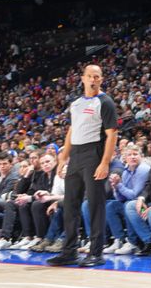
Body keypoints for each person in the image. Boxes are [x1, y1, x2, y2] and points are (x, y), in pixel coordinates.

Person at [47, 65, 118, 268]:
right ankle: (69, 251)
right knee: (70, 204)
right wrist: (63, 158)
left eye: (97, 77)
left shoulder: (105, 102)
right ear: (83, 78)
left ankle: (96, 253)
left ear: (101, 79)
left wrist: (105, 162)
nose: (93, 80)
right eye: (89, 76)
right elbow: (71, 131)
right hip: (75, 155)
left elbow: (112, 134)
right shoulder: (76, 104)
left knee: (95, 204)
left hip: (94, 153)